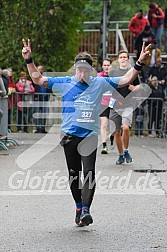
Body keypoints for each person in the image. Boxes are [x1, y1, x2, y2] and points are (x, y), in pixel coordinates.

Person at [22, 39, 150, 227]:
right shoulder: (65, 82)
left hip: (89, 136)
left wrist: (139, 62)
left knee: (88, 174)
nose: (82, 74)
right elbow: (37, 79)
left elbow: (125, 80)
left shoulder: (99, 82)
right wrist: (29, 59)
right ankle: (78, 206)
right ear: (74, 69)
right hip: (69, 136)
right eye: (79, 70)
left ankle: (86, 212)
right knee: (74, 175)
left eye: (85, 70)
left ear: (91, 71)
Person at [109, 50, 140, 165]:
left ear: (128, 59)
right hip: (115, 104)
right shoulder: (113, 72)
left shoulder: (133, 72)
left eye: (125, 57)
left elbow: (139, 86)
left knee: (125, 128)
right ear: (118, 59)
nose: (123, 59)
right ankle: (121, 155)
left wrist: (134, 88)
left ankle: (126, 150)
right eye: (121, 57)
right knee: (116, 132)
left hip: (128, 104)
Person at [97, 58, 114, 154]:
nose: (107, 67)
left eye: (108, 65)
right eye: (105, 65)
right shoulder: (99, 76)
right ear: (102, 66)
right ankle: (104, 145)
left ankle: (112, 137)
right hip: (103, 103)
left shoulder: (114, 76)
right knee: (104, 124)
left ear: (111, 66)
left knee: (112, 125)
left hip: (113, 103)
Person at [33, 65, 51, 133]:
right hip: (37, 98)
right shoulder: (34, 77)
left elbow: (49, 87)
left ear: (43, 70)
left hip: (45, 98)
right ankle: (38, 128)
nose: (39, 70)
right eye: (38, 69)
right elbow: (33, 87)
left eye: (40, 69)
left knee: (44, 113)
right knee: (37, 113)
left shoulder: (46, 78)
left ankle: (43, 128)